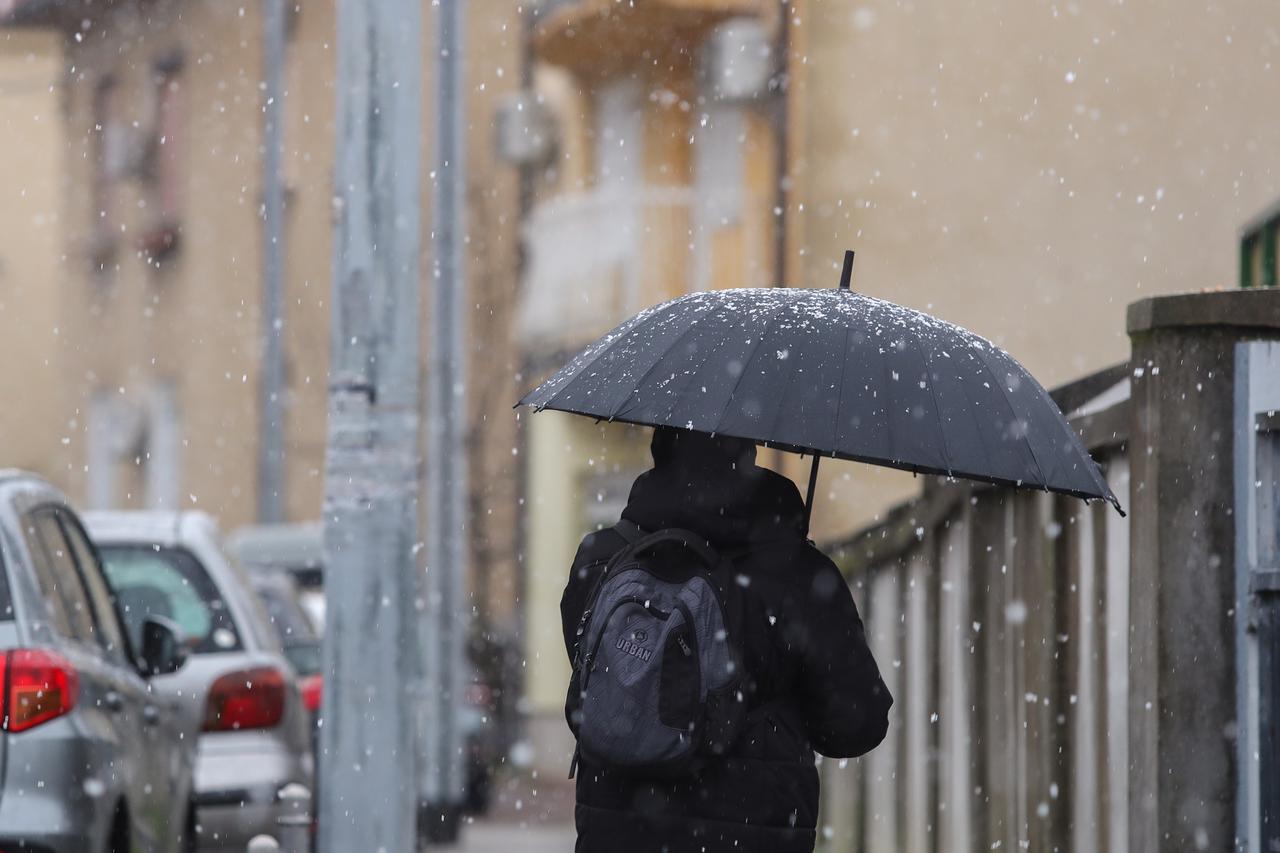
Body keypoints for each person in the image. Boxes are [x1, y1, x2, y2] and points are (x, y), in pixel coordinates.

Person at [561, 427, 893, 853]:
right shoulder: (798, 574)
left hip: (615, 834)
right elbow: (856, 724)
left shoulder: (602, 556)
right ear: (747, 451)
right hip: (751, 832)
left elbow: (596, 674)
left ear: (661, 445)